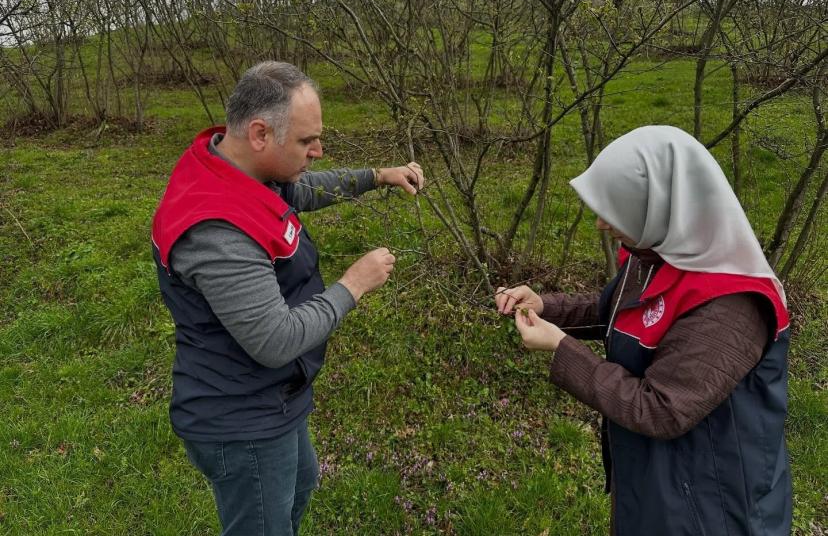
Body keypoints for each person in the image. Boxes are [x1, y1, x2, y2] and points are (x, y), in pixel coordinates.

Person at [151, 61, 424, 536]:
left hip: (273, 394)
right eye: (305, 141)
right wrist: (353, 284)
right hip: (241, 414)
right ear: (260, 133)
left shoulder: (236, 168)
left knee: (300, 485)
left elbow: (299, 188)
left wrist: (379, 175)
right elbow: (275, 340)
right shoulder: (218, 230)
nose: (317, 151)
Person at [495, 126, 791, 535]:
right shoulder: (658, 251)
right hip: (659, 486)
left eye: (615, 211)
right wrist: (548, 307)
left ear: (660, 206)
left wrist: (560, 347)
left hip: (711, 505)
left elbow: (661, 409)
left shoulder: (731, 305)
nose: (600, 223)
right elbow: (625, 313)